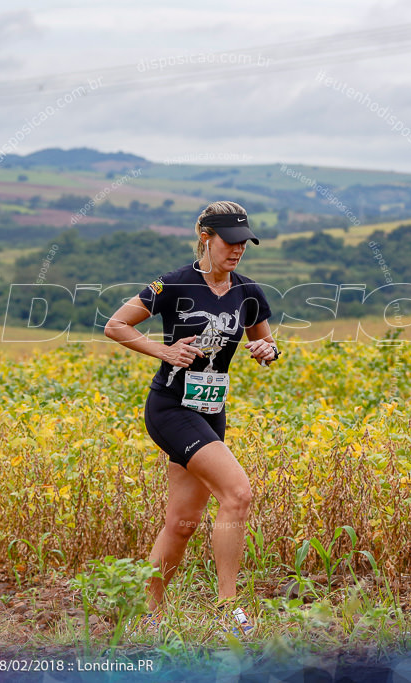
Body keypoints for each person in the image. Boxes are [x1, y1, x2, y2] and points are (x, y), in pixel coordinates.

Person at [104, 200, 280, 636]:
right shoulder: (174, 284)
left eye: (245, 243)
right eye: (231, 241)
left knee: (181, 524)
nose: (238, 250)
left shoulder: (249, 292)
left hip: (210, 412)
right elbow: (116, 325)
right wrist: (162, 350)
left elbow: (268, 344)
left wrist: (267, 351)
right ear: (207, 237)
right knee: (238, 493)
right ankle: (229, 609)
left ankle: (144, 613)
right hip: (170, 407)